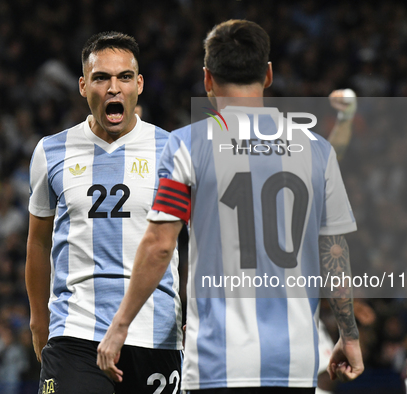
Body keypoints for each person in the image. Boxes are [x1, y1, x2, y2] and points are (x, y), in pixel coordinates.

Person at [98, 19, 364, 393]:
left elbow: (160, 246)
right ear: (268, 75)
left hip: (217, 361)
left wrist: (120, 324)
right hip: (296, 363)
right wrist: (348, 335)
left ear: (208, 79)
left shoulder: (187, 144)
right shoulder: (317, 149)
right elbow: (334, 249)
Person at [25, 32, 182, 394]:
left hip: (154, 334)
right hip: (76, 332)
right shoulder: (51, 151)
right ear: (83, 86)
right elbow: (37, 241)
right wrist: (38, 320)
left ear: (139, 84)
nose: (114, 88)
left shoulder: (172, 150)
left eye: (124, 77)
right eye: (101, 78)